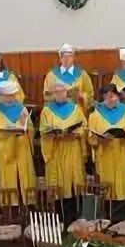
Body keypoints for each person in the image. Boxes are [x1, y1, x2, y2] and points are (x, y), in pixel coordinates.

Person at [87, 84, 125, 221]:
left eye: (112, 96)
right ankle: (108, 221)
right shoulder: (95, 114)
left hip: (123, 153)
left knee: (124, 187)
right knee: (108, 188)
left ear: (117, 96)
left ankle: (124, 222)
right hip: (106, 156)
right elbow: (91, 136)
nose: (109, 100)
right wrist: (99, 140)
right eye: (106, 97)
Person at [39, 81, 87, 225]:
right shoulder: (46, 111)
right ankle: (62, 222)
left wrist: (77, 133)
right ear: (53, 94)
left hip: (73, 150)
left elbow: (84, 126)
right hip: (56, 151)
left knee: (74, 184)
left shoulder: (76, 109)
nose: (61, 94)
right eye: (57, 92)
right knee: (60, 186)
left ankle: (77, 219)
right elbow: (43, 131)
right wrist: (54, 135)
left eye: (63, 91)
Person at [0, 80, 35, 206]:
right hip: (6, 151)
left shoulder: (21, 107)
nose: (12, 97)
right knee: (9, 180)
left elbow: (30, 127)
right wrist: (15, 129)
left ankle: (28, 206)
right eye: (9, 95)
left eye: (13, 94)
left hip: (22, 148)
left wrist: (26, 128)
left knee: (25, 179)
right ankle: (10, 210)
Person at [43, 44, 94, 109]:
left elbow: (90, 96)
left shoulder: (82, 75)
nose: (66, 59)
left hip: (77, 112)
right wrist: (61, 95)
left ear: (73, 58)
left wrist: (81, 96)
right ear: (60, 59)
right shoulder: (51, 75)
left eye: (69, 56)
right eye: (63, 56)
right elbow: (47, 97)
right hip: (57, 111)